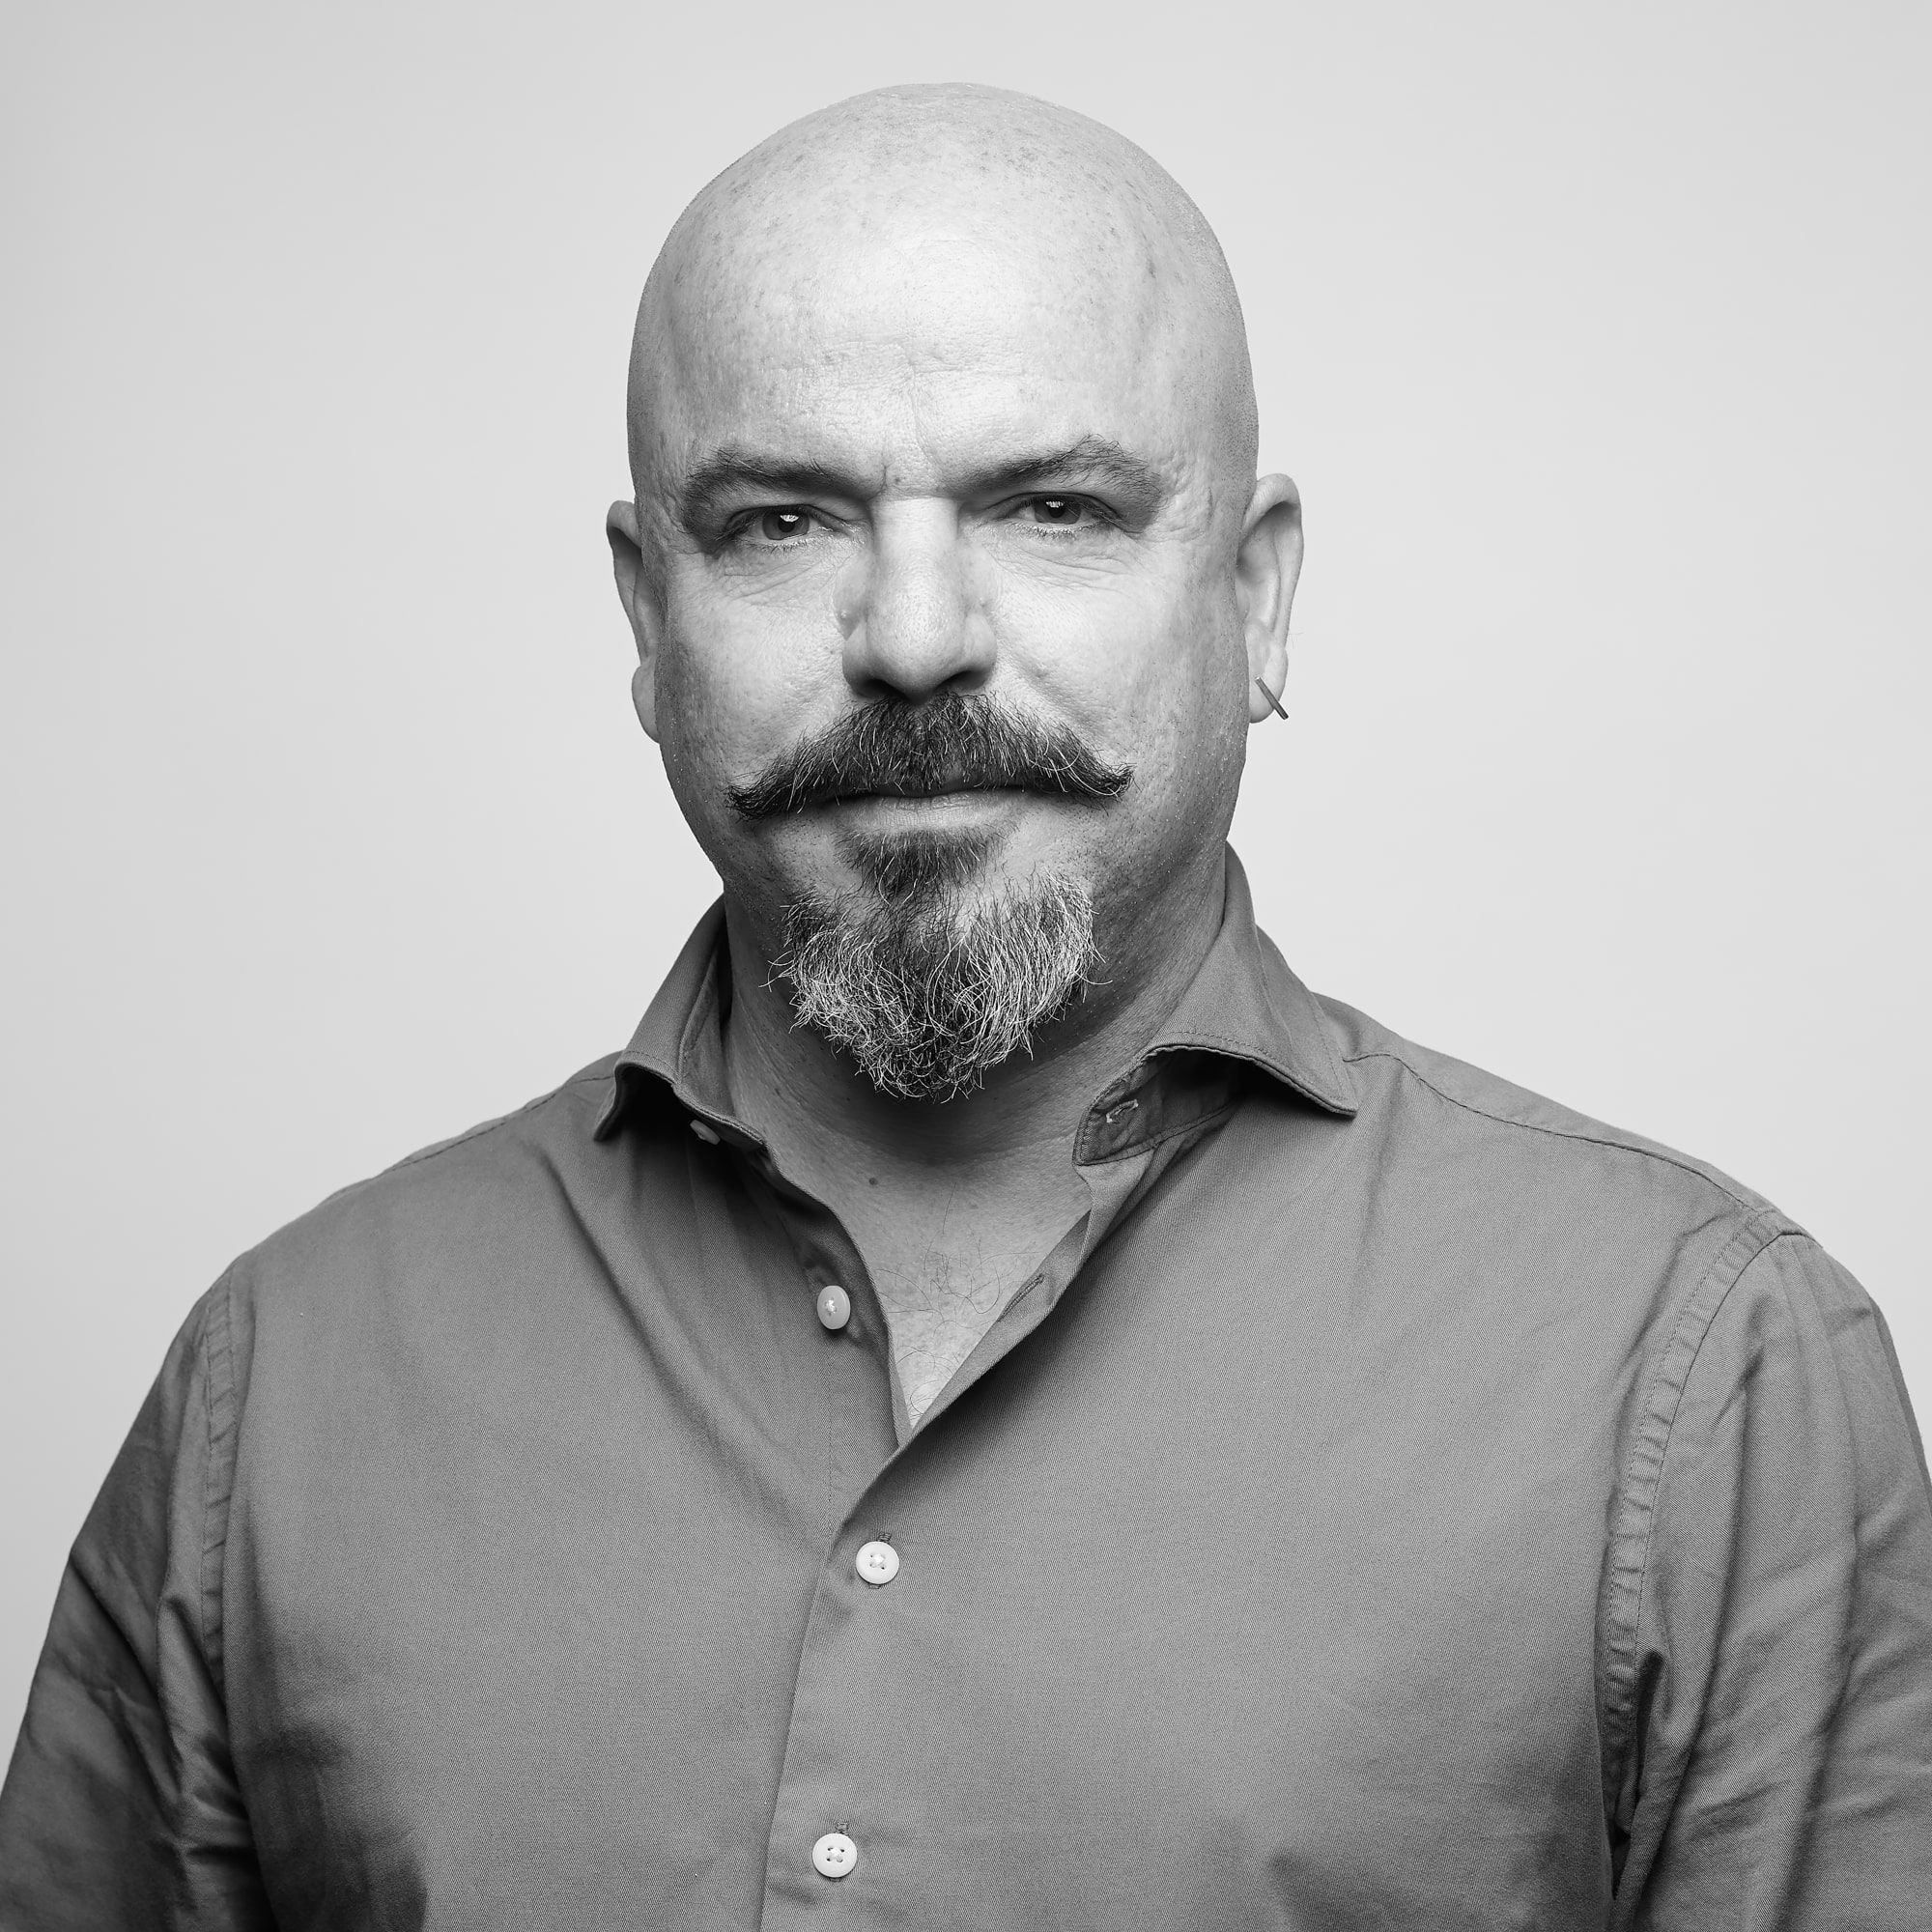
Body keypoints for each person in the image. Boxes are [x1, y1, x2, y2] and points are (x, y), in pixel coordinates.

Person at [3, 81, 1928, 1930]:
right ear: (647, 617)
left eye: (1054, 507)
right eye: (781, 521)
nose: (915, 637)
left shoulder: (1700, 1379)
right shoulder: (287, 1386)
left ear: (1256, 597)